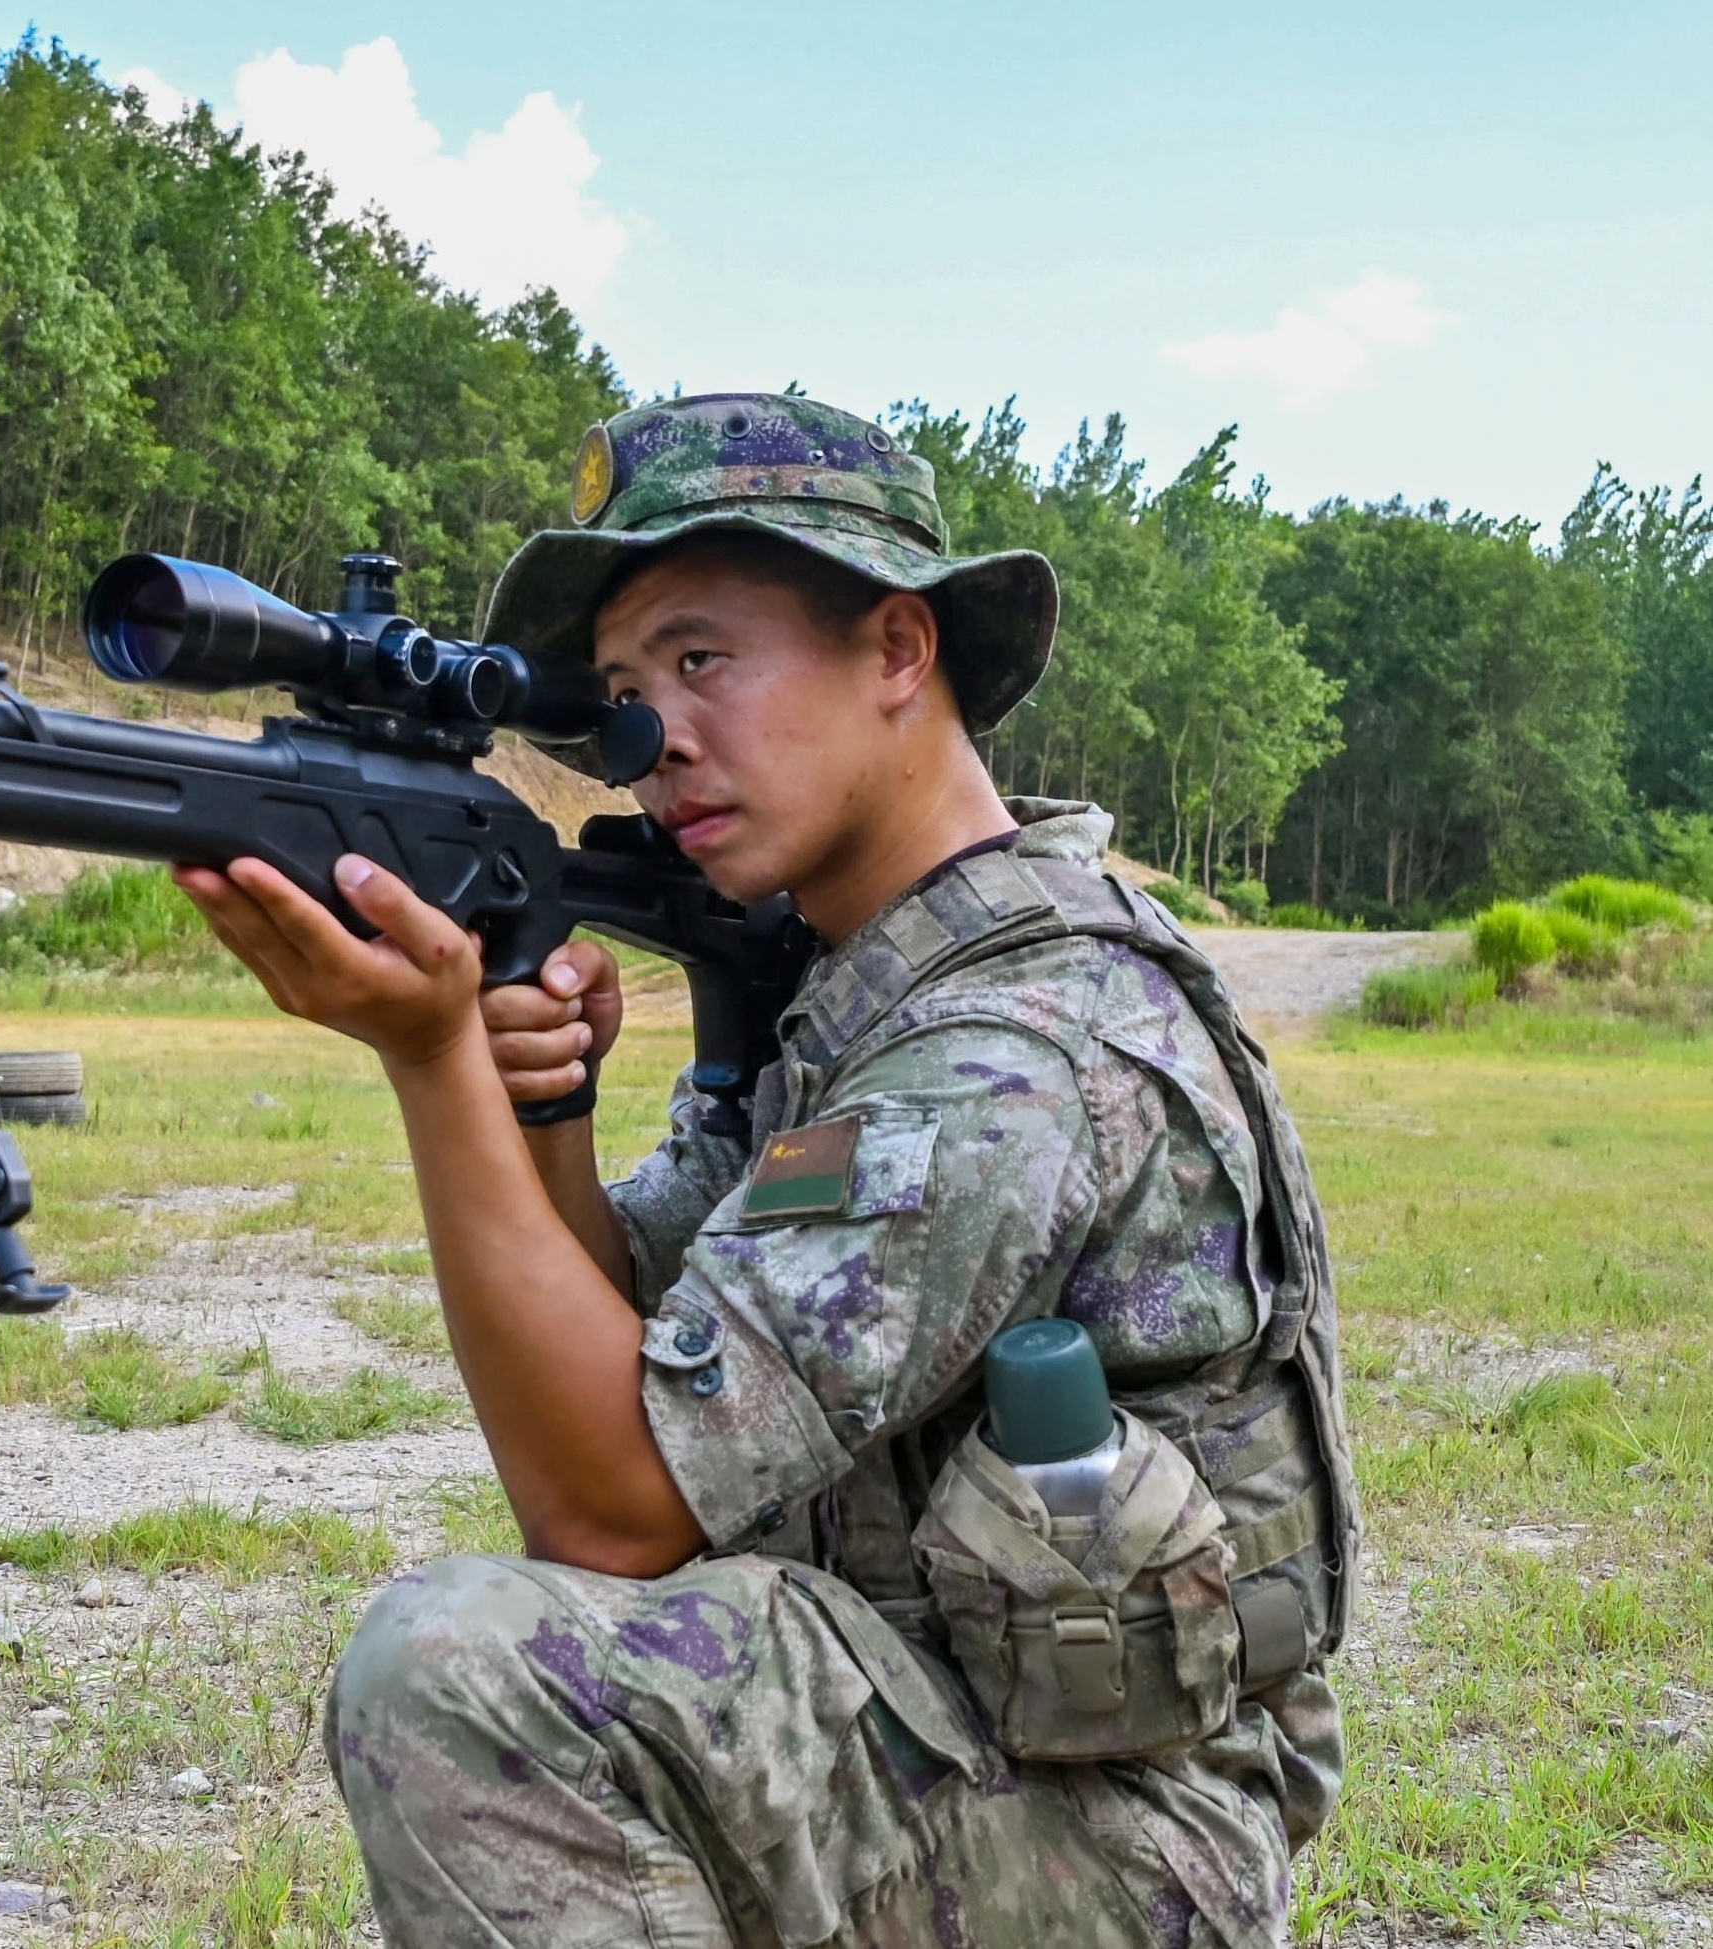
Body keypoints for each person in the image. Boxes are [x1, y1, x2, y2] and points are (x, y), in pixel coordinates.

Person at [173, 393, 1358, 1949]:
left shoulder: (1014, 1044)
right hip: (954, 1733)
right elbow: (642, 1338)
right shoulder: (853, 985)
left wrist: (432, 1055)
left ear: (899, 648)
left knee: (458, 1670)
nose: (652, 740)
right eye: (619, 691)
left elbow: (612, 1512)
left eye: (702, 659)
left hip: (1121, 1845)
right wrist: (539, 1097)